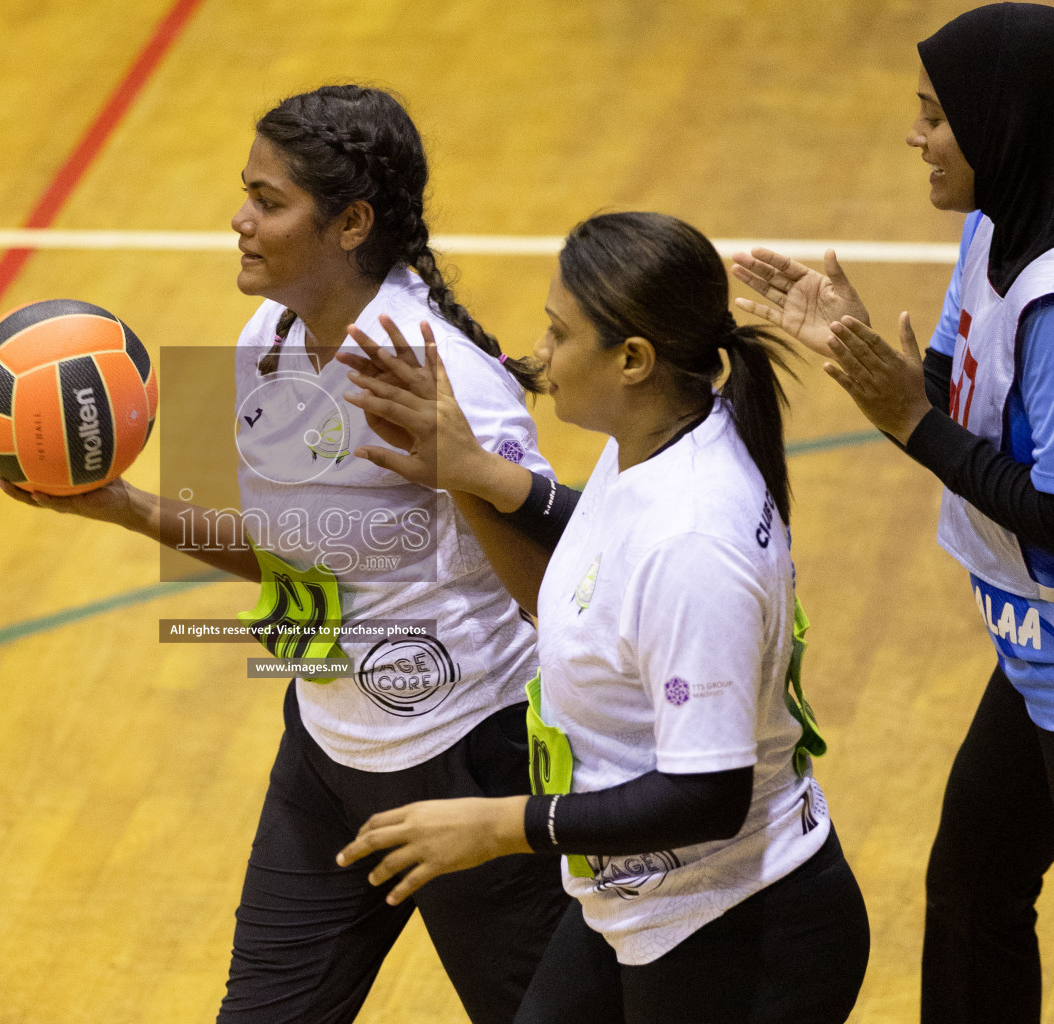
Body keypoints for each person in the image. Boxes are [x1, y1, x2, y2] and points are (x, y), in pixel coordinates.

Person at [0, 84, 569, 1023]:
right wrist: (127, 507)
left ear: (350, 223)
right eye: (245, 194)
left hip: (470, 766)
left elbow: (561, 596)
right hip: (327, 755)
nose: (240, 219)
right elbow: (292, 559)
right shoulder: (267, 335)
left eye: (268, 200)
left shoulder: (446, 383)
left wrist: (461, 471)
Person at [333, 210, 870, 1023]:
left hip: (740, 931)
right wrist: (477, 474)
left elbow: (707, 795)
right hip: (648, 904)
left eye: (558, 332)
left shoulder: (694, 542)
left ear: (632, 360)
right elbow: (612, 542)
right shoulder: (665, 439)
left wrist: (503, 824)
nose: (538, 355)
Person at [730, 5, 1054, 1021]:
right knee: (972, 887)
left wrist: (905, 412)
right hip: (1035, 650)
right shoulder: (995, 225)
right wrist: (855, 346)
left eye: (935, 115)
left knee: (977, 887)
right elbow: (962, 399)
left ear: (1003, 125)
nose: (914, 136)